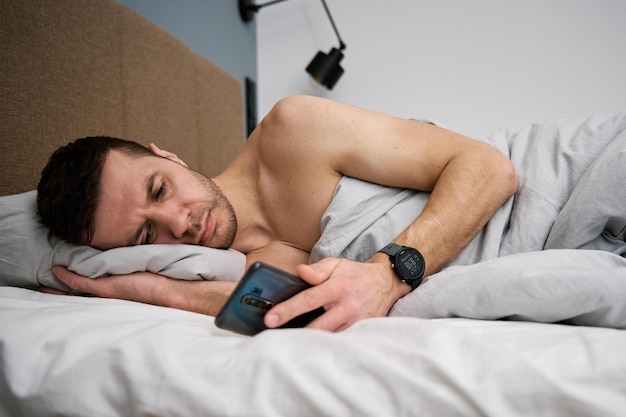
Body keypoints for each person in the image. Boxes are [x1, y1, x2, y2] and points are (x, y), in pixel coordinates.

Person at [37, 95, 517, 332]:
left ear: (169, 156)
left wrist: (389, 272)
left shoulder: (291, 130)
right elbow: (293, 315)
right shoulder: (257, 269)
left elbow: (489, 168)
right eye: (145, 235)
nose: (177, 222)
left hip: (565, 183)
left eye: (160, 189)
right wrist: (153, 290)